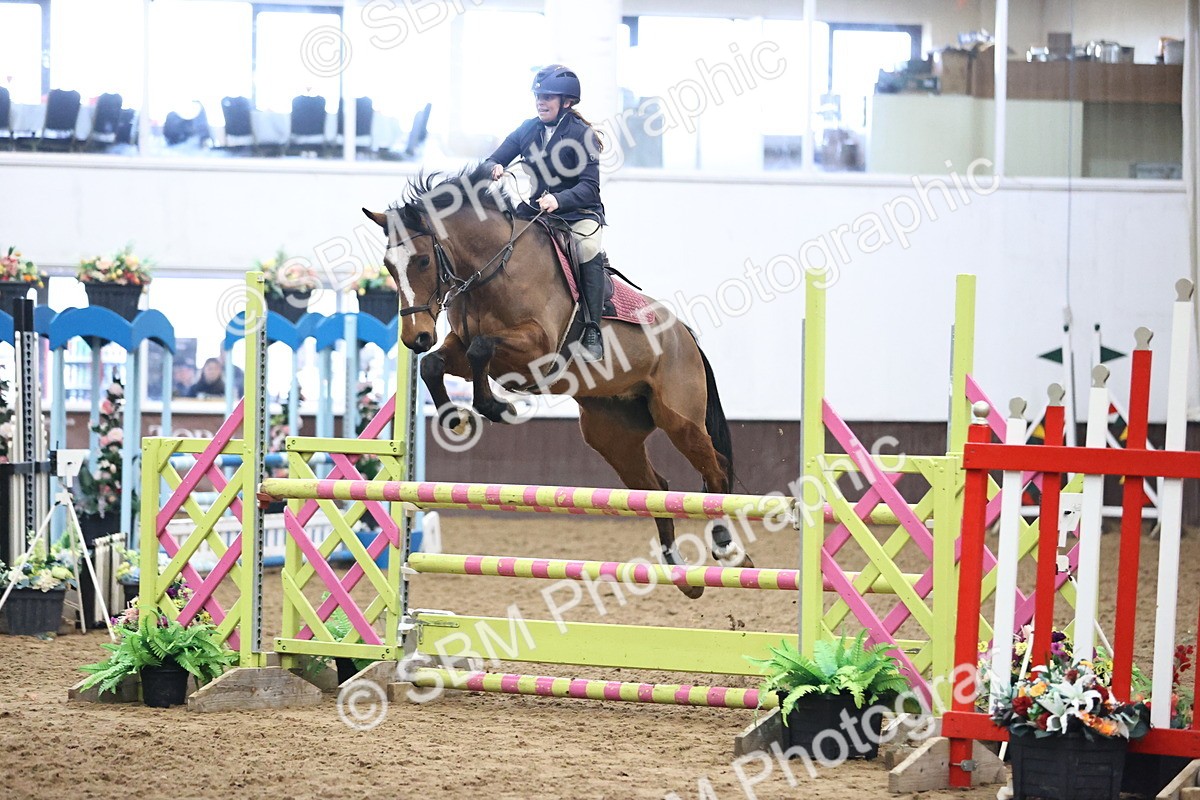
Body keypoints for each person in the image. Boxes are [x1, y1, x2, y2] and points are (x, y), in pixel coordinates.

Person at [484, 64, 608, 362]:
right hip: (538, 212)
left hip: (578, 213)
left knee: (587, 248)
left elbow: (590, 188)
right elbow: (492, 159)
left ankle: (592, 328)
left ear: (567, 102)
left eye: (548, 97)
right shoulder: (528, 128)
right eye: (538, 96)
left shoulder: (582, 134)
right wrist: (493, 167)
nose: (541, 102)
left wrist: (559, 199)